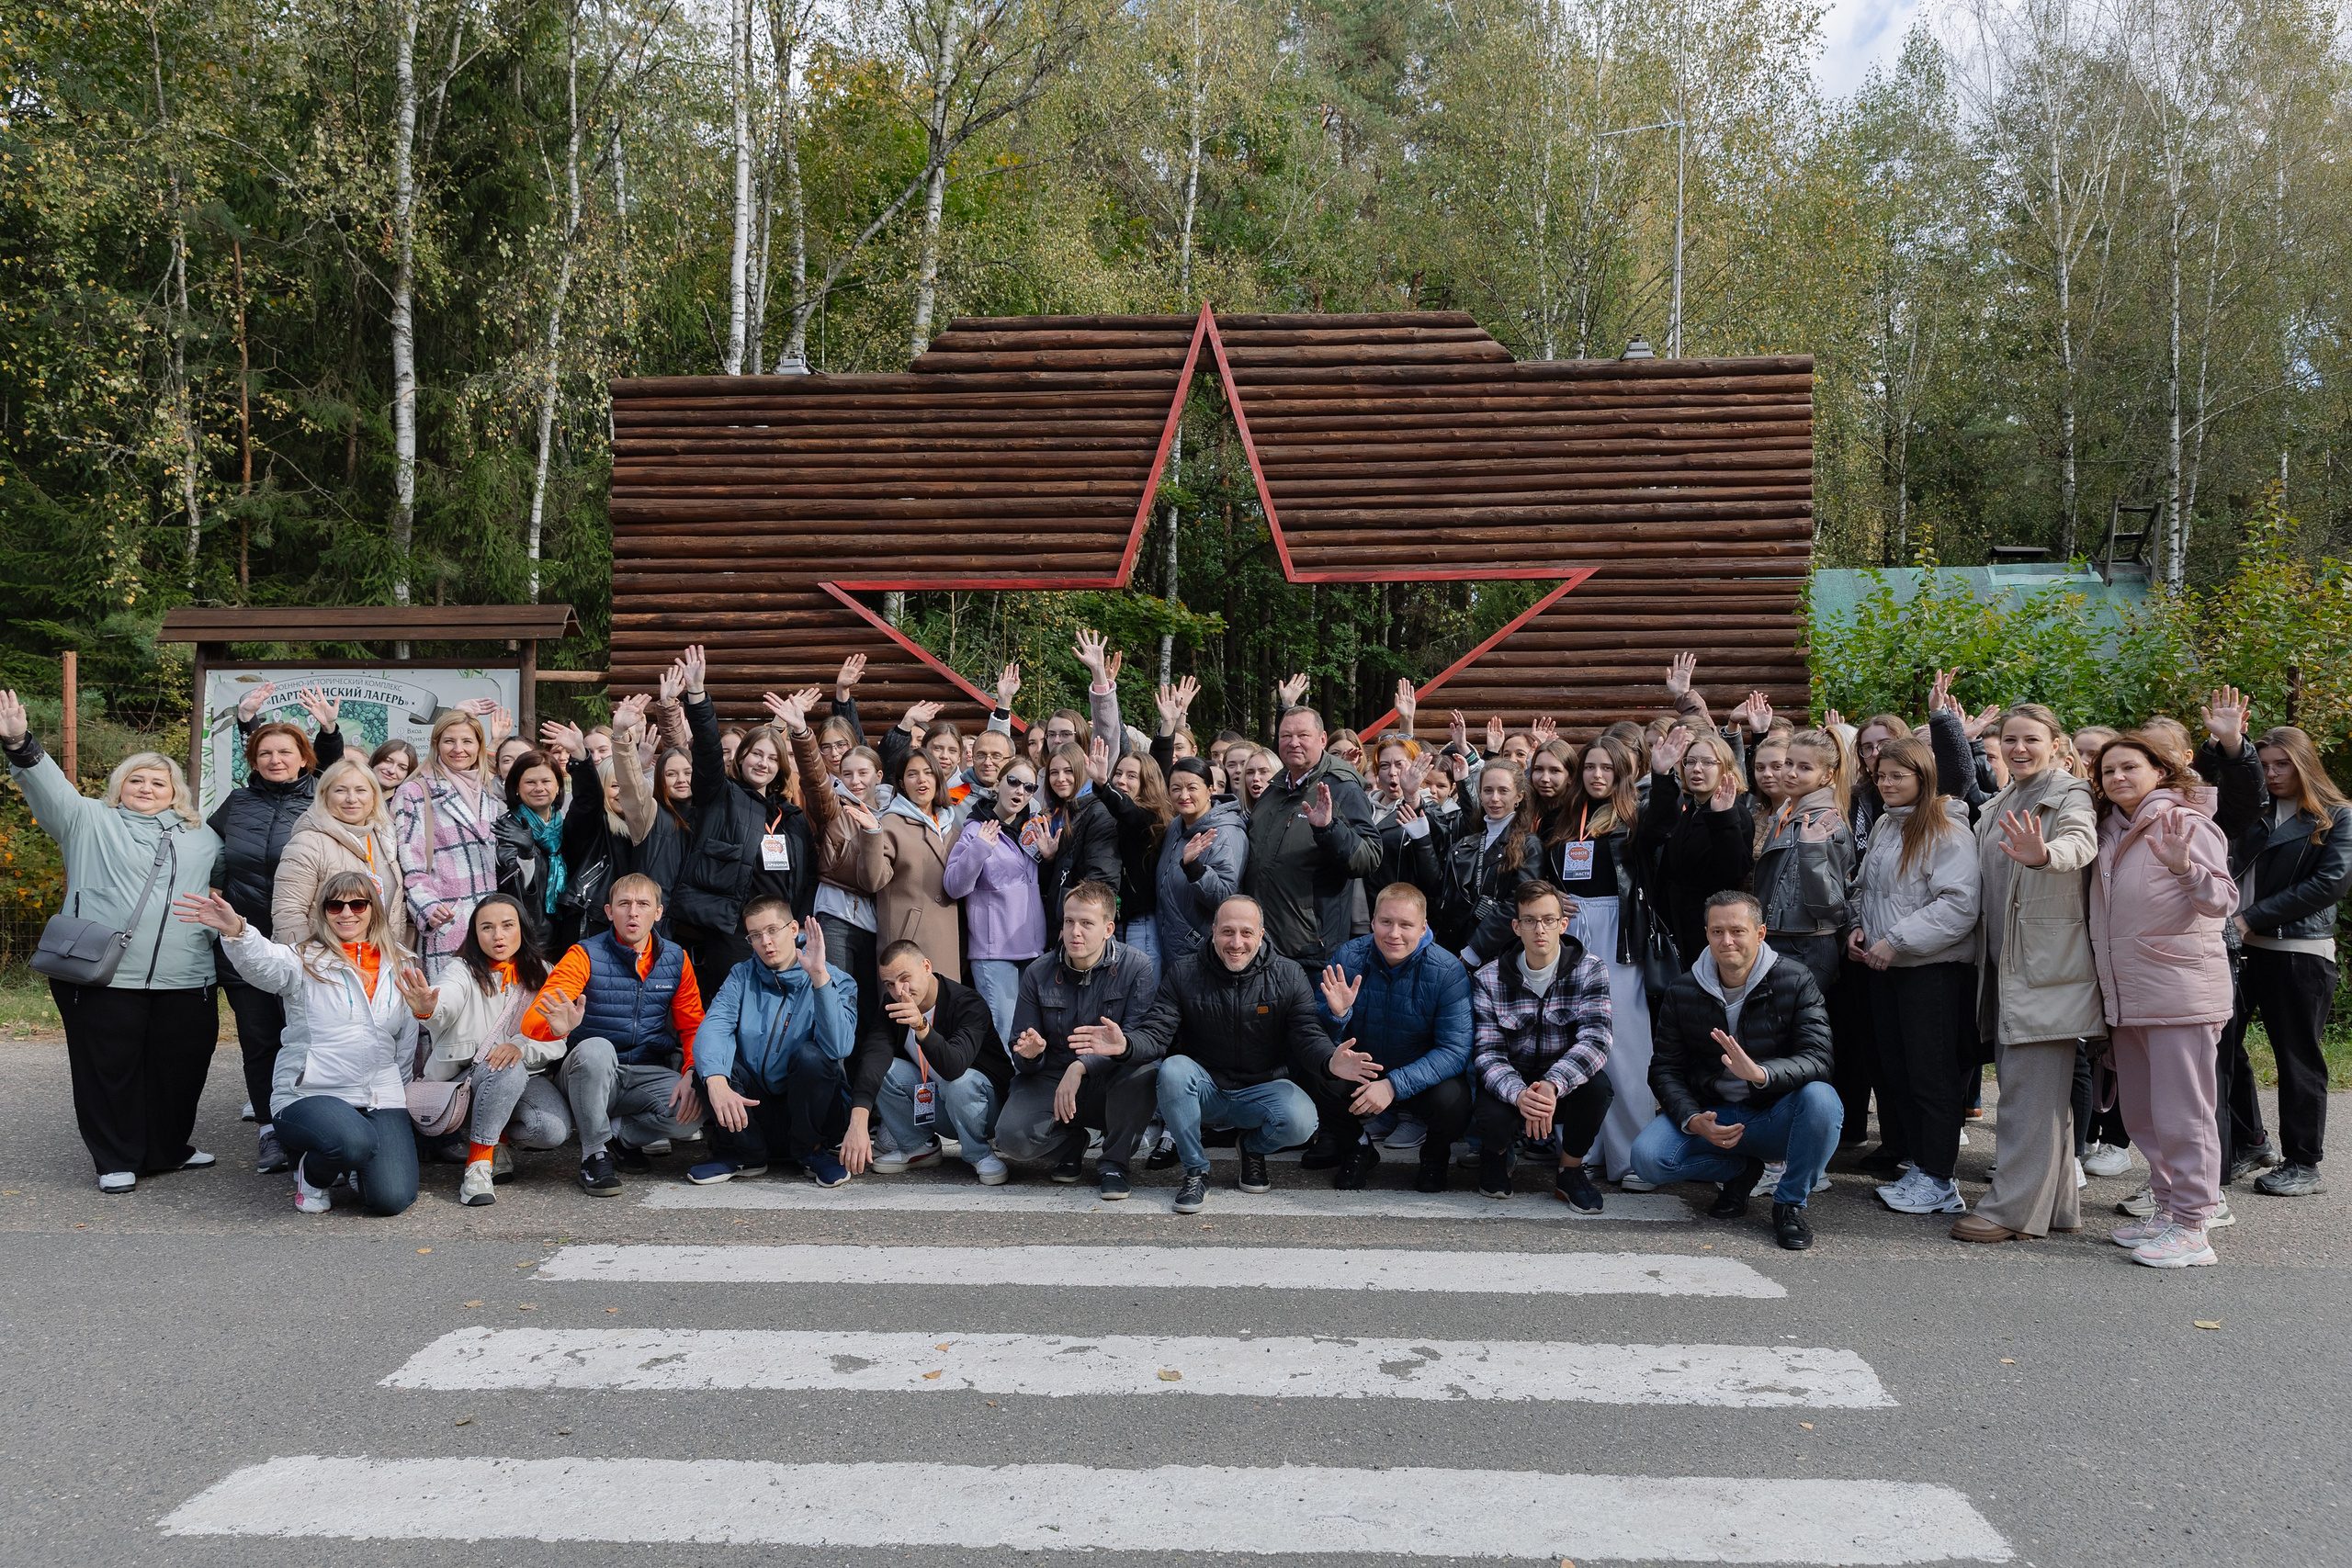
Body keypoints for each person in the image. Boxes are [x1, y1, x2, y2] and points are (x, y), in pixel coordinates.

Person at [1, 692, 224, 1194]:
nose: (146, 788)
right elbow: (50, 788)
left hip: (188, 977)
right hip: (102, 974)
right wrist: (20, 743)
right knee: (108, 1071)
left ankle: (167, 1149)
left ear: (177, 793)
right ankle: (116, 1157)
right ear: (118, 787)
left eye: (158, 782)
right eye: (135, 780)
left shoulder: (203, 837)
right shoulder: (86, 822)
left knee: (180, 1070)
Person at [177, 874, 425, 1215]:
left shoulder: (402, 962)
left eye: (357, 904)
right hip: (310, 1092)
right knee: (354, 1142)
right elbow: (263, 963)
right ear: (323, 912)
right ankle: (313, 1174)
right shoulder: (302, 958)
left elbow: (405, 1041)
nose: (346, 913)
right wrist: (237, 931)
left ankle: (354, 1162)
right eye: (335, 905)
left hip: (379, 1094)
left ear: (373, 910)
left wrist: (401, 1097)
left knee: (392, 1199)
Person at [1952, 704, 2102, 1243]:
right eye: (2010, 739)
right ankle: (2056, 1208)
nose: (2019, 748)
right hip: (2007, 966)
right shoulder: (1997, 804)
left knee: (2025, 1096)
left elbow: (2081, 843)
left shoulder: (2068, 793)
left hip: (2045, 970)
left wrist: (2045, 856)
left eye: (2031, 739)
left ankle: (2010, 1211)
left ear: (2056, 745)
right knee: (2039, 1096)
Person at [2092, 730, 2238, 1268]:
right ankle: (2169, 1208)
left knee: (2185, 1115)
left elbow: (2223, 899)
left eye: (2130, 767)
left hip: (2180, 991)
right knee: (2145, 1116)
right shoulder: (2111, 829)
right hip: (2128, 994)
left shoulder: (2186, 823)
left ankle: (2195, 1225)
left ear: (2159, 771)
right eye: (2109, 771)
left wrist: (2184, 867)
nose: (2118, 778)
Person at [1633, 890, 1840, 1250]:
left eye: (1737, 931)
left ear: (1760, 933)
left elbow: (1819, 1058)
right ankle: (1741, 1172)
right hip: (1713, 1113)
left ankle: (1789, 1204)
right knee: (1647, 1159)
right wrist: (1692, 1118)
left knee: (1822, 1100)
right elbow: (1665, 1068)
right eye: (1716, 932)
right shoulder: (1683, 989)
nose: (1726, 941)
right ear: (1706, 934)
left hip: (1772, 1114)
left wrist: (1761, 1073)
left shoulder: (1795, 979)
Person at [210, 684, 347, 1158]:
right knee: (258, 1036)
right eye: (265, 753)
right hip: (245, 935)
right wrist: (212, 885)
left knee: (311, 1034)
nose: (275, 760)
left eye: (285, 751)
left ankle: (314, 1120)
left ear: (303, 757)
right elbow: (210, 851)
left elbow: (337, 769)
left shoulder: (322, 800)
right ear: (254, 760)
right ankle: (271, 1129)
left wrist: (329, 730)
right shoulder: (237, 803)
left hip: (306, 941)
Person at [1129, 896, 1333, 1213]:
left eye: (1246, 932)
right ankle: (1195, 1170)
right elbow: (1156, 1033)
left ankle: (1251, 1149)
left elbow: (1308, 1036)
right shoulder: (1184, 973)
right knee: (1172, 1070)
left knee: (1303, 1120)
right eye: (1227, 932)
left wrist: (1332, 1061)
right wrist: (1124, 1045)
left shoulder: (1289, 975)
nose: (1236, 943)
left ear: (1261, 934)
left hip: (1261, 1090)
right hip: (1206, 1089)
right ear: (1213, 931)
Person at [1849, 736, 1982, 1218]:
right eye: (1881, 775)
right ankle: (1920, 1168)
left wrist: (1898, 939)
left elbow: (1959, 904)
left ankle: (1941, 1180)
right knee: (1898, 1073)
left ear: (1923, 778)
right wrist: (1858, 927)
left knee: (1933, 1077)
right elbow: (1865, 886)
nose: (1885, 784)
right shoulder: (1887, 823)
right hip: (1884, 970)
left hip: (1932, 972)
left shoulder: (1947, 829)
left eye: (1897, 776)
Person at [2220, 722, 2350, 1200]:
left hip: (2298, 951)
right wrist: (2229, 743)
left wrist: (2251, 918)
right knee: (2222, 1048)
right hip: (2238, 947)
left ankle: (2304, 1163)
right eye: (2266, 765)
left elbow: (2328, 885)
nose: (2273, 774)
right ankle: (2250, 1141)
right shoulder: (2251, 810)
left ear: (2305, 764)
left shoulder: (2337, 815)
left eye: (2283, 765)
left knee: (2297, 1059)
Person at [527, 873, 707, 1196]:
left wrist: (691, 1071)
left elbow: (693, 1026)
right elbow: (538, 1016)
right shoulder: (584, 954)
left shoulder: (675, 959)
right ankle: (594, 1156)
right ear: (609, 912)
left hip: (643, 1073)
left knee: (696, 1108)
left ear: (659, 912)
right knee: (597, 1048)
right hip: (588, 1073)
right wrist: (557, 1027)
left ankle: (620, 1135)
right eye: (624, 904)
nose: (633, 913)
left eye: (642, 904)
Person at [998, 881, 1161, 1196]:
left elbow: (1143, 1040)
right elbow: (1020, 1047)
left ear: (1108, 929)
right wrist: (1031, 1055)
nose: (1075, 932)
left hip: (1109, 1078)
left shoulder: (1136, 966)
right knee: (1010, 1138)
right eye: (1069, 921)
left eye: (1087, 923)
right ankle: (1070, 1146)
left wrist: (1082, 1066)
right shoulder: (1038, 972)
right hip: (1052, 1077)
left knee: (1144, 1072)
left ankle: (1114, 1163)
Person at [1544, 734, 1657, 1185]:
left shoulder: (1637, 816)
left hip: (1617, 933)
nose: (1596, 775)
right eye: (1589, 767)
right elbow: (1541, 872)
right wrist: (1551, 894)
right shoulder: (1566, 818)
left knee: (1624, 1044)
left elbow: (1665, 824)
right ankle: (1582, 1149)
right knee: (1572, 1038)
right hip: (1568, 933)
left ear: (1623, 773)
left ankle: (1635, 1155)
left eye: (1607, 768)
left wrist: (1665, 773)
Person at [1311, 884, 1475, 1192]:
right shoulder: (1349, 955)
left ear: (1424, 926)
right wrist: (1338, 1016)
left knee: (1454, 1100)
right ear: (1373, 923)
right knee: (1320, 1070)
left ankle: (1435, 1157)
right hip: (1366, 1066)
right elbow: (1318, 1034)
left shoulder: (1448, 970)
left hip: (1420, 1075)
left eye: (1406, 925)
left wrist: (1393, 1085)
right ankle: (1358, 1148)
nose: (1394, 934)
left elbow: (1455, 1050)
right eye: (1386, 922)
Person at [413, 894, 573, 1205]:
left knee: (551, 1130)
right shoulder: (461, 969)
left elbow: (554, 1040)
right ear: (475, 934)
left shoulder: (543, 971)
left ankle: (498, 1135)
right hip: (467, 1079)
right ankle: (479, 1164)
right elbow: (446, 998)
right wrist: (428, 1008)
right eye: (487, 927)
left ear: (522, 930)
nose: (497, 935)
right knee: (505, 1067)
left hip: (523, 1075)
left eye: (507, 926)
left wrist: (522, 1046)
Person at [689, 896, 857, 1188]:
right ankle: (745, 1154)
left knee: (812, 1056)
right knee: (710, 1063)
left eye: (772, 930)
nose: (765, 942)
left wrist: (819, 978)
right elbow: (714, 1028)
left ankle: (811, 1153)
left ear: (793, 929)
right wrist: (714, 1080)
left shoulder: (836, 979)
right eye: (755, 935)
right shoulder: (742, 975)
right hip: (754, 1111)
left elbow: (840, 1047)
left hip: (811, 1114)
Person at [670, 649, 818, 982]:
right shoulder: (721, 795)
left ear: (781, 766)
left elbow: (809, 878)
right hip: (734, 929)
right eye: (755, 754)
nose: (763, 763)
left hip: (782, 932)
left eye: (772, 758)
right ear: (741, 758)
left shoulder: (792, 817)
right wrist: (697, 694)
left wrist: (797, 924)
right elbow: (707, 750)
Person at [1468, 879, 1615, 1207]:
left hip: (1561, 1084)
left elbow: (1597, 1040)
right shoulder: (1489, 978)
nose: (1540, 929)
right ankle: (1497, 1155)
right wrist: (1520, 1094)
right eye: (1530, 921)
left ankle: (1570, 1172)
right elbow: (1487, 1053)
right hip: (1513, 1083)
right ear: (1516, 927)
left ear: (1563, 924)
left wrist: (1552, 1085)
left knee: (1598, 1088)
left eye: (1549, 920)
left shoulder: (1591, 970)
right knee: (1490, 1110)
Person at [843, 940, 1009, 1184]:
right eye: (890, 984)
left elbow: (954, 1067)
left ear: (927, 966)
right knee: (880, 1070)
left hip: (987, 1111)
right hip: (941, 1104)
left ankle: (980, 1153)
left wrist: (921, 1026)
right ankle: (919, 1146)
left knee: (959, 1084)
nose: (899, 990)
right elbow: (873, 1057)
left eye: (905, 977)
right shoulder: (892, 1006)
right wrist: (858, 1120)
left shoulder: (967, 1003)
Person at [1245, 702, 1385, 982]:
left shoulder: (1341, 787)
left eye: (1303, 736)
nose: (1293, 743)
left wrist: (1329, 829)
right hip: (1261, 944)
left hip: (1310, 949)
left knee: (1308, 1026)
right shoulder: (1272, 791)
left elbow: (1369, 857)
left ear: (1322, 740)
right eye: (1286, 736)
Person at [944, 758, 1048, 1042]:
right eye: (1013, 782)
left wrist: (1050, 856)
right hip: (994, 952)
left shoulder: (1035, 830)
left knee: (1030, 1035)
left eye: (1029, 787)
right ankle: (1000, 1088)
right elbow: (954, 887)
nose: (1019, 792)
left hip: (1033, 949)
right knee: (1004, 1035)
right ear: (998, 783)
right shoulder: (975, 830)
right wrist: (978, 850)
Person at [393, 707, 502, 972]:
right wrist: (430, 909)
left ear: (479, 745)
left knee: (493, 1010)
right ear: (436, 744)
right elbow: (411, 865)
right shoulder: (415, 791)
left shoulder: (492, 792)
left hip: (493, 927)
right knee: (449, 1007)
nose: (458, 749)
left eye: (467, 741)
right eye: (449, 741)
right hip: (447, 922)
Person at [1637, 727, 1752, 969]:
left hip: (1709, 931)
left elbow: (1733, 873)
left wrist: (1723, 820)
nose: (1696, 769)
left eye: (1707, 762)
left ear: (1725, 768)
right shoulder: (1692, 807)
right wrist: (1661, 774)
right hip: (1678, 925)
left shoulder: (1733, 811)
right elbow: (1654, 832)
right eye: (1690, 762)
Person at [859, 749, 965, 979]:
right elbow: (872, 881)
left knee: (943, 1010)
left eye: (928, 772)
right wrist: (872, 832)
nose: (921, 780)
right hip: (908, 941)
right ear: (901, 783)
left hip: (948, 938)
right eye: (912, 774)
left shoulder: (953, 828)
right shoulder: (890, 824)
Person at [1153, 757, 1249, 974]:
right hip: (1171, 945)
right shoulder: (1177, 825)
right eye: (1176, 788)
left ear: (1210, 789)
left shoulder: (1225, 832)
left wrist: (1194, 867)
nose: (1183, 795)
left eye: (1192, 788)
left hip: (1201, 950)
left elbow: (1225, 899)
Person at [1034, 742, 1120, 936]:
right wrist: (1049, 860)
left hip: (1082, 929)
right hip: (1061, 922)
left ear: (1082, 772)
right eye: (1054, 773)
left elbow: (1102, 879)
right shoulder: (1056, 815)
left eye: (1068, 771)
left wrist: (1076, 925)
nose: (1060, 779)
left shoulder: (1098, 812)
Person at [492, 747, 572, 953]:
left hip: (567, 930)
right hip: (528, 936)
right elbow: (511, 888)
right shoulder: (507, 827)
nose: (539, 788)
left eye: (546, 781)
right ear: (517, 788)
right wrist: (526, 855)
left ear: (557, 787)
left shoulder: (567, 824)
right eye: (530, 782)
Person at [1099, 747, 1172, 967]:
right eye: (1118, 773)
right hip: (1115, 922)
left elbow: (1128, 811)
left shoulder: (1149, 818)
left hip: (1141, 925)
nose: (1121, 780)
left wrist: (1104, 784)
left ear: (1147, 783)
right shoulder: (1111, 817)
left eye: (1132, 776)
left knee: (1142, 994)